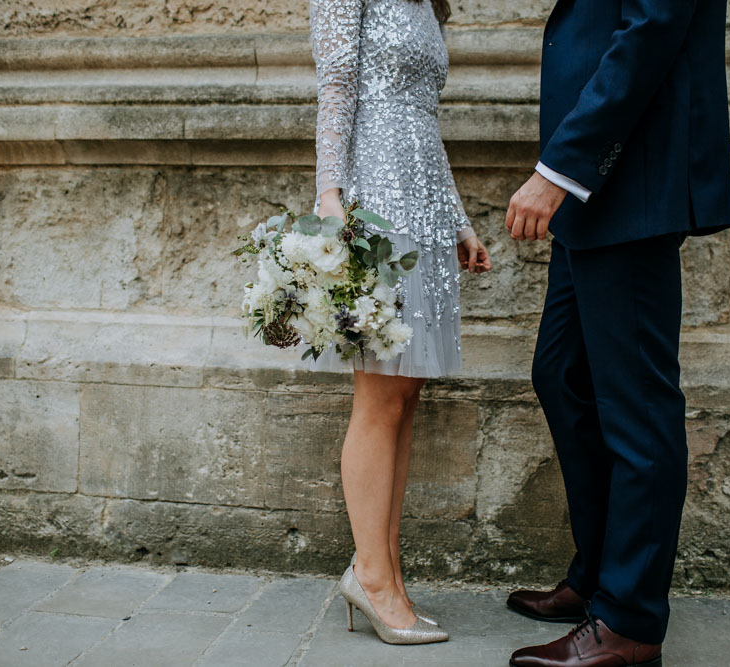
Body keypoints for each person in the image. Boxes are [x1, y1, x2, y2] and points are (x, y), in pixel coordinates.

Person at [503, 0, 730, 665]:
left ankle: (628, 620)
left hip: (631, 174)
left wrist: (560, 168)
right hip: (598, 189)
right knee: (563, 374)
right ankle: (601, 575)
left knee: (636, 404)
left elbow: (654, 24)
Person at [308, 0, 491, 645]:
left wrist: (458, 220)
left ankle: (384, 571)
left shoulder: (430, 5)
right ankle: (371, 576)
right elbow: (336, 84)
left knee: (406, 394)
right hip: (376, 200)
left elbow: (424, 122)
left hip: (425, 208)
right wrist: (329, 197)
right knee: (380, 395)